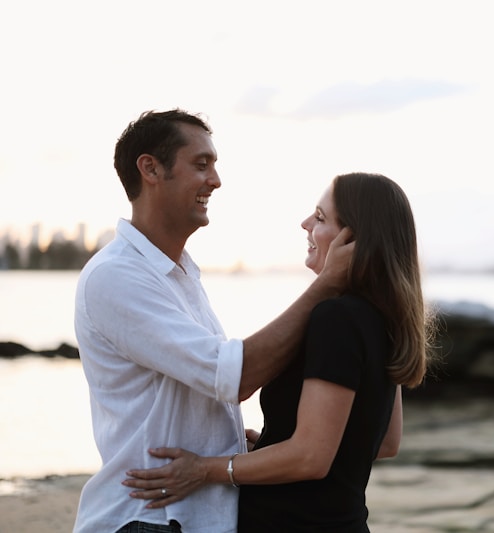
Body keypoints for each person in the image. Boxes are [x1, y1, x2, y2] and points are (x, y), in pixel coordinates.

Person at [73, 109, 353, 533]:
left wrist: (234, 444)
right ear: (150, 168)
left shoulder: (179, 273)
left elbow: (205, 385)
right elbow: (233, 377)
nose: (216, 180)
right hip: (149, 518)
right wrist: (326, 286)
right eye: (201, 165)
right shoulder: (116, 275)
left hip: (192, 517)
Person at [122, 172, 437, 532]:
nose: (305, 224)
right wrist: (274, 446)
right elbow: (384, 442)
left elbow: (310, 457)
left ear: (352, 240)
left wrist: (205, 469)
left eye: (319, 218)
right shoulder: (383, 317)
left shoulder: (336, 318)